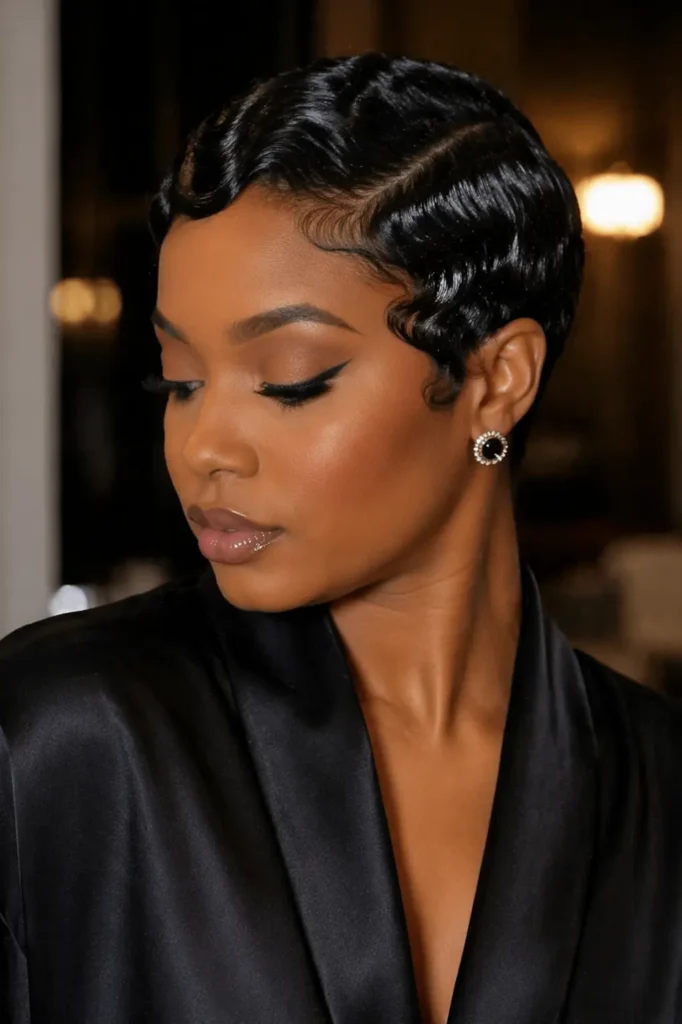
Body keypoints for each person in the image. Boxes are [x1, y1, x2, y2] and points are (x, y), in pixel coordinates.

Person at [1, 53, 681, 1024]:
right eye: (178, 380)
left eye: (289, 377)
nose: (203, 447)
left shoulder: (656, 788)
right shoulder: (57, 740)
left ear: (495, 379)